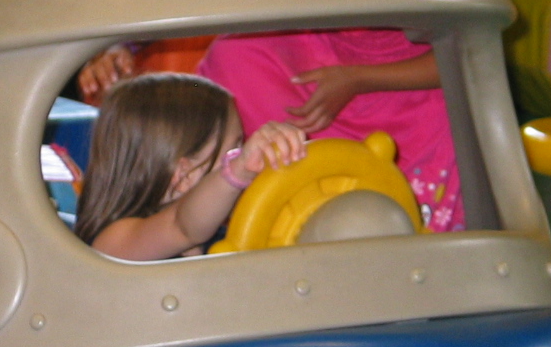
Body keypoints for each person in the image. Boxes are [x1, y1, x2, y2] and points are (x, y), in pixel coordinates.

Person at [199, 29, 462, 232]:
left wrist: (359, 79)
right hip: (296, 49)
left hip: (416, 75)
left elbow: (469, 52)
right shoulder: (241, 53)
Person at [74, 73, 306, 261]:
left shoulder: (223, 229)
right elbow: (182, 226)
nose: (242, 156)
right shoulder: (114, 242)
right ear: (184, 175)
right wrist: (237, 171)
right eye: (233, 152)